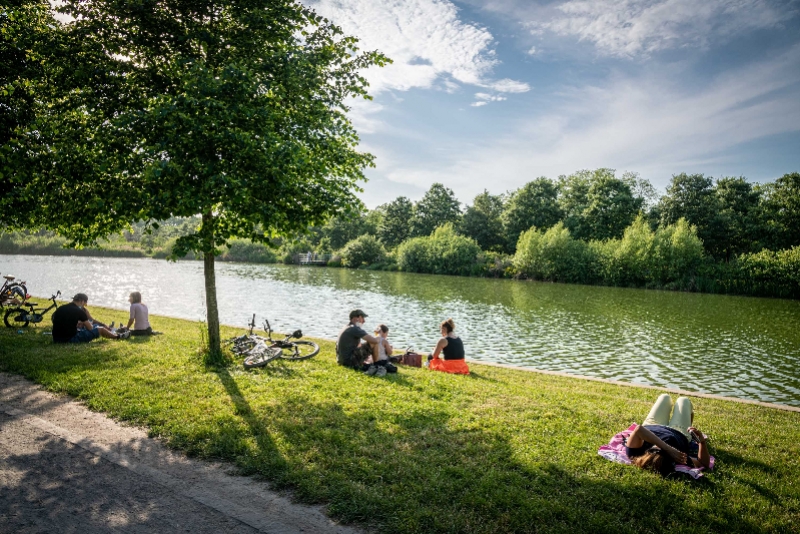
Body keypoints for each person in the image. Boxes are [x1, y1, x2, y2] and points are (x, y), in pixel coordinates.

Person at [625, 394, 711, 475]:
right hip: (679, 431)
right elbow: (703, 464)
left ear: (649, 452)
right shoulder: (677, 456)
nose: (659, 446)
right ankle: (689, 416)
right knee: (683, 400)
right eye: (662, 451)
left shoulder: (635, 453)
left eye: (656, 449)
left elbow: (638, 429)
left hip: (652, 425)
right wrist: (702, 443)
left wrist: (668, 449)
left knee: (665, 397)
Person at [52, 293, 129, 343]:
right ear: (82, 301)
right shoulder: (80, 311)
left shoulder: (61, 308)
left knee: (95, 326)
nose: (85, 305)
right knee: (100, 329)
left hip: (56, 339)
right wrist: (84, 323)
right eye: (85, 303)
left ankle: (112, 333)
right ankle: (117, 337)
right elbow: (90, 328)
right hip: (70, 339)